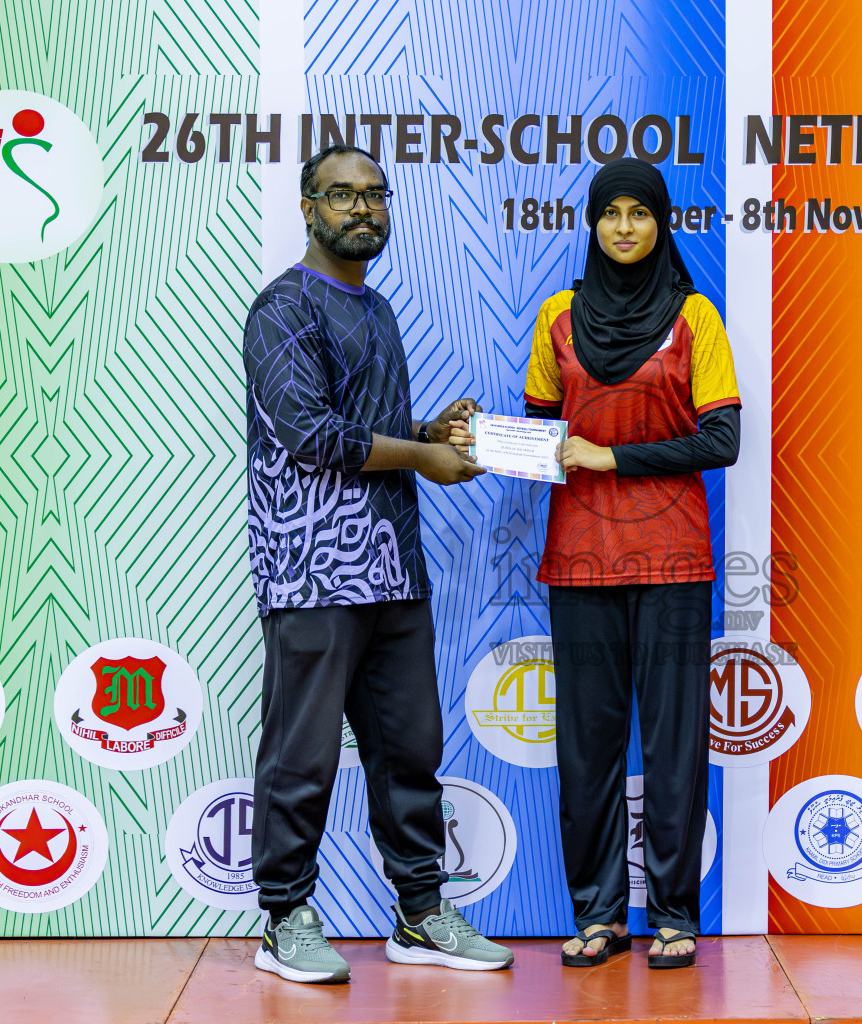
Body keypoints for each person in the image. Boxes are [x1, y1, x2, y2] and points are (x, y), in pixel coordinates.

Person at [243, 143, 512, 983]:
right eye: (341, 195)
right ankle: (285, 918)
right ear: (308, 207)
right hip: (312, 569)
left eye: (374, 195)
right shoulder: (283, 308)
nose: (361, 209)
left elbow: (371, 429)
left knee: (410, 750)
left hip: (394, 566)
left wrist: (427, 433)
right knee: (303, 754)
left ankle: (421, 914)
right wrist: (421, 459)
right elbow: (312, 436)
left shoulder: (381, 309)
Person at [517, 157, 740, 969]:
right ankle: (599, 915)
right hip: (578, 560)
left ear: (660, 223)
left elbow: (724, 440)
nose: (623, 227)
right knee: (587, 745)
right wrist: (483, 442)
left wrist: (613, 457)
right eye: (609, 212)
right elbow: (546, 438)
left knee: (674, 744)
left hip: (673, 559)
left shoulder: (694, 320)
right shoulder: (559, 319)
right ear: (592, 223)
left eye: (638, 213)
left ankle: (675, 915)